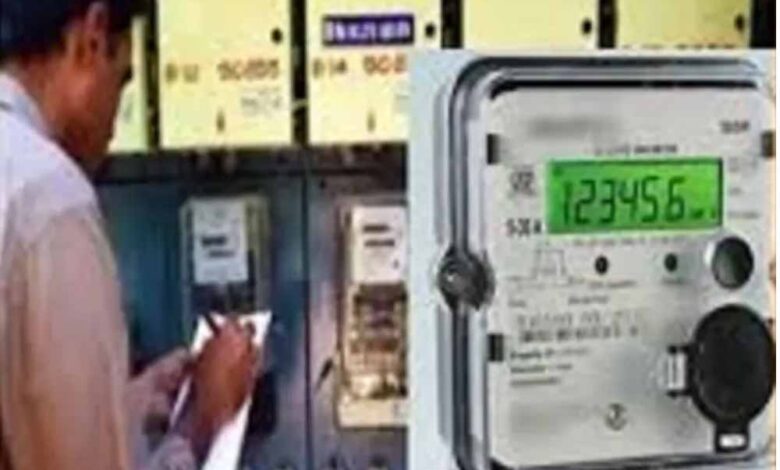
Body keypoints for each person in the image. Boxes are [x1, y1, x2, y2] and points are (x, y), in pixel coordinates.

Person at [0, 0, 259, 468]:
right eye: (122, 80)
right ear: (93, 36)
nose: (114, 127)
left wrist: (124, 405)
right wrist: (204, 417)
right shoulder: (50, 201)